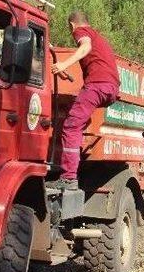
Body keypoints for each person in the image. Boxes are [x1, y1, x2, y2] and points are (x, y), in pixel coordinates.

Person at [46, 11, 120, 190]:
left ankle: (69, 177)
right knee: (78, 121)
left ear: (72, 25)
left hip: (97, 85)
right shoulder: (98, 36)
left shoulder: (81, 33)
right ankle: (72, 169)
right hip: (111, 88)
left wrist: (63, 64)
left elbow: (85, 47)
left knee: (71, 127)